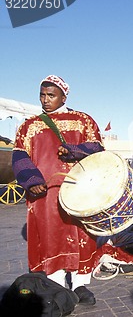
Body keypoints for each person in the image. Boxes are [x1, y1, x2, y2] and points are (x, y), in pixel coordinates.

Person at [12, 75, 105, 305]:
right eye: (42, 95)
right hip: (46, 193)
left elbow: (97, 147)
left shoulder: (83, 120)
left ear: (64, 96)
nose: (45, 100)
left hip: (79, 190)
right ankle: (56, 284)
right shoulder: (29, 126)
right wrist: (32, 180)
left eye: (51, 95)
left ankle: (81, 284)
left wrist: (74, 150)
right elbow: (20, 155)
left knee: (82, 233)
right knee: (50, 235)